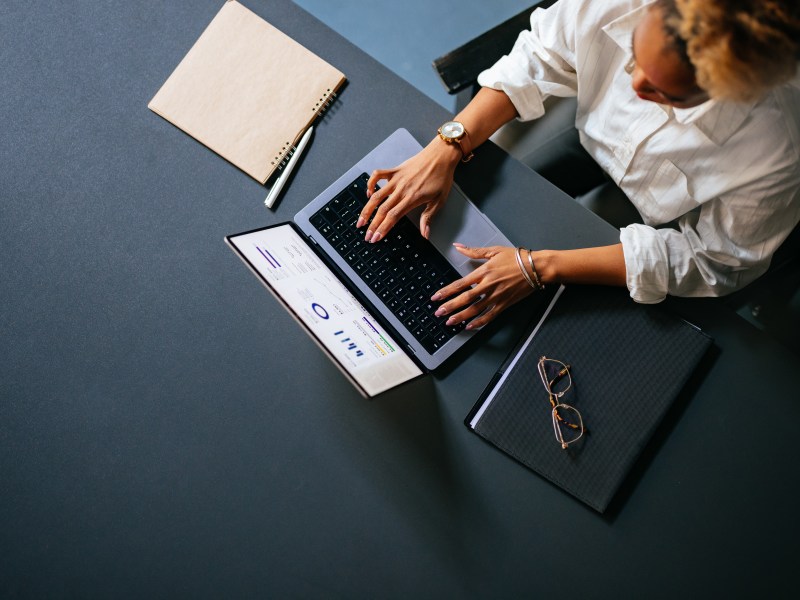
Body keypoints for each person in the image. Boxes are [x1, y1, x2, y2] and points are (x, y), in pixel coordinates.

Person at [355, 0, 800, 331]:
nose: (635, 84)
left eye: (669, 94)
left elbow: (714, 261)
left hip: (673, 218)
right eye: (635, 56)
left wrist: (541, 266)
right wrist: (446, 147)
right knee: (479, 215)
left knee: (548, 314)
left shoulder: (778, 149)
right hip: (587, 130)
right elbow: (541, 57)